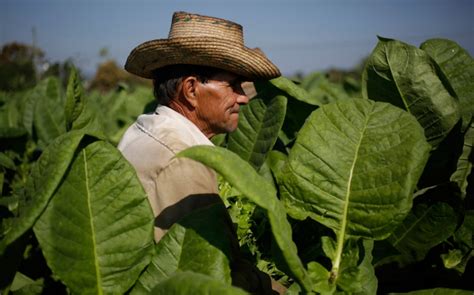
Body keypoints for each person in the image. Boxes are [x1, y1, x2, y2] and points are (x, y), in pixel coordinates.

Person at [118, 11, 283, 294]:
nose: (243, 98)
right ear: (191, 89)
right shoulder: (184, 161)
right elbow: (206, 275)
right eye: (233, 85)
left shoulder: (144, 129)